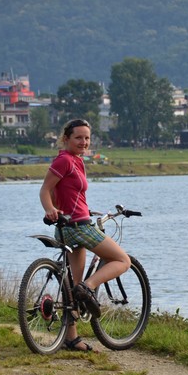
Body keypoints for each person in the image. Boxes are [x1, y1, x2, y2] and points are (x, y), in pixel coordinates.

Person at [39, 118, 131, 352]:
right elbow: (45, 190)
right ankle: (90, 287)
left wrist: (83, 209)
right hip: (78, 228)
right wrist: (49, 209)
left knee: (73, 288)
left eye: (87, 138)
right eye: (78, 137)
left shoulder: (76, 161)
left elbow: (70, 193)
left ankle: (71, 338)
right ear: (66, 138)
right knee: (122, 260)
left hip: (70, 224)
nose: (83, 142)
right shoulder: (64, 161)